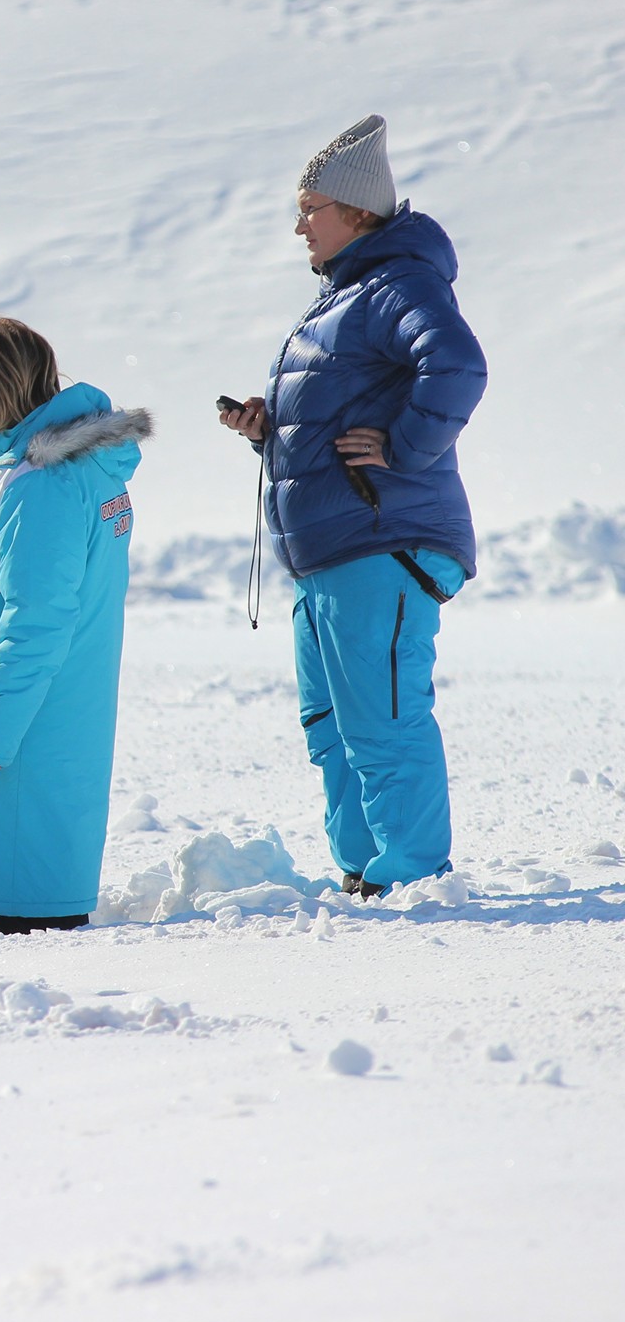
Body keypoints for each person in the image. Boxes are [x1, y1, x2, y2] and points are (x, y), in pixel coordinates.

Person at [219, 114, 487, 895]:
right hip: (333, 553)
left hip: (382, 543)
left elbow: (459, 365)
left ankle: (409, 879)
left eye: (310, 206)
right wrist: (268, 429)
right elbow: (341, 410)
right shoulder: (349, 295)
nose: (298, 223)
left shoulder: (399, 283)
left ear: (356, 211)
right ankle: (364, 871)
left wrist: (402, 448)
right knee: (332, 727)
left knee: (382, 719)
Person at [0, 320, 150, 931]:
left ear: (2, 391)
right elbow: (32, 586)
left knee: (34, 925)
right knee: (38, 911)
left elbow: (40, 623)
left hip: (28, 738)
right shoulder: (80, 469)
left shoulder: (42, 485)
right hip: (54, 725)